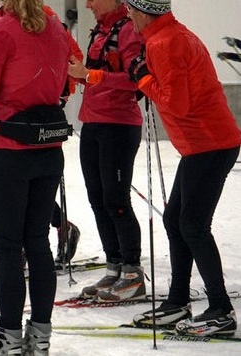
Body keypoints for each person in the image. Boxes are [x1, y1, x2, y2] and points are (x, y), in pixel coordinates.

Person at [125, 0, 240, 337]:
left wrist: (143, 78)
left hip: (209, 143)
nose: (128, 13)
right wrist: (144, 75)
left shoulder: (165, 42)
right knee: (176, 219)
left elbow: (176, 102)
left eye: (131, 8)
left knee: (191, 224)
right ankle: (178, 300)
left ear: (145, 11)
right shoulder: (168, 36)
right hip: (205, 143)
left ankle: (220, 308)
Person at [0, 0, 71, 354]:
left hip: (9, 149)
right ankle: (39, 340)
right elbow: (64, 84)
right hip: (47, 148)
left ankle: (9, 340)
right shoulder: (55, 27)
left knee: (9, 247)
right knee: (37, 242)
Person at [0, 0, 83, 280]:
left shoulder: (46, 20)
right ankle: (31, 245)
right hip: (4, 126)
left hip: (29, 130)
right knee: (17, 209)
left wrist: (59, 96)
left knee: (22, 214)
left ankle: (48, 234)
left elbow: (73, 60)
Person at [66, 0, 144, 303]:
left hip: (119, 125)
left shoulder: (127, 30)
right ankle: (114, 267)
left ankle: (132, 272)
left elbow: (134, 79)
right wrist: (77, 74)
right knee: (97, 198)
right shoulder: (100, 30)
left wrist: (91, 75)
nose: (87, 4)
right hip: (93, 123)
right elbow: (93, 74)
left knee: (116, 199)